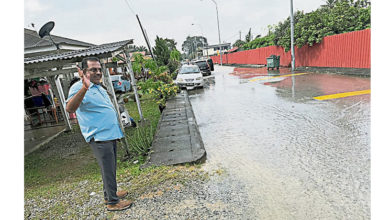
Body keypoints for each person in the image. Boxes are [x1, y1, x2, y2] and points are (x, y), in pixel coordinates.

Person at [66, 57, 132, 211]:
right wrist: (84, 88)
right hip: (99, 136)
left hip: (110, 134)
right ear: (83, 72)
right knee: (108, 168)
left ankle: (110, 193)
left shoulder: (98, 87)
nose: (97, 72)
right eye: (93, 69)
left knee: (109, 168)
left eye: (98, 69)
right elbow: (70, 108)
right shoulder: (78, 88)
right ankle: (112, 202)